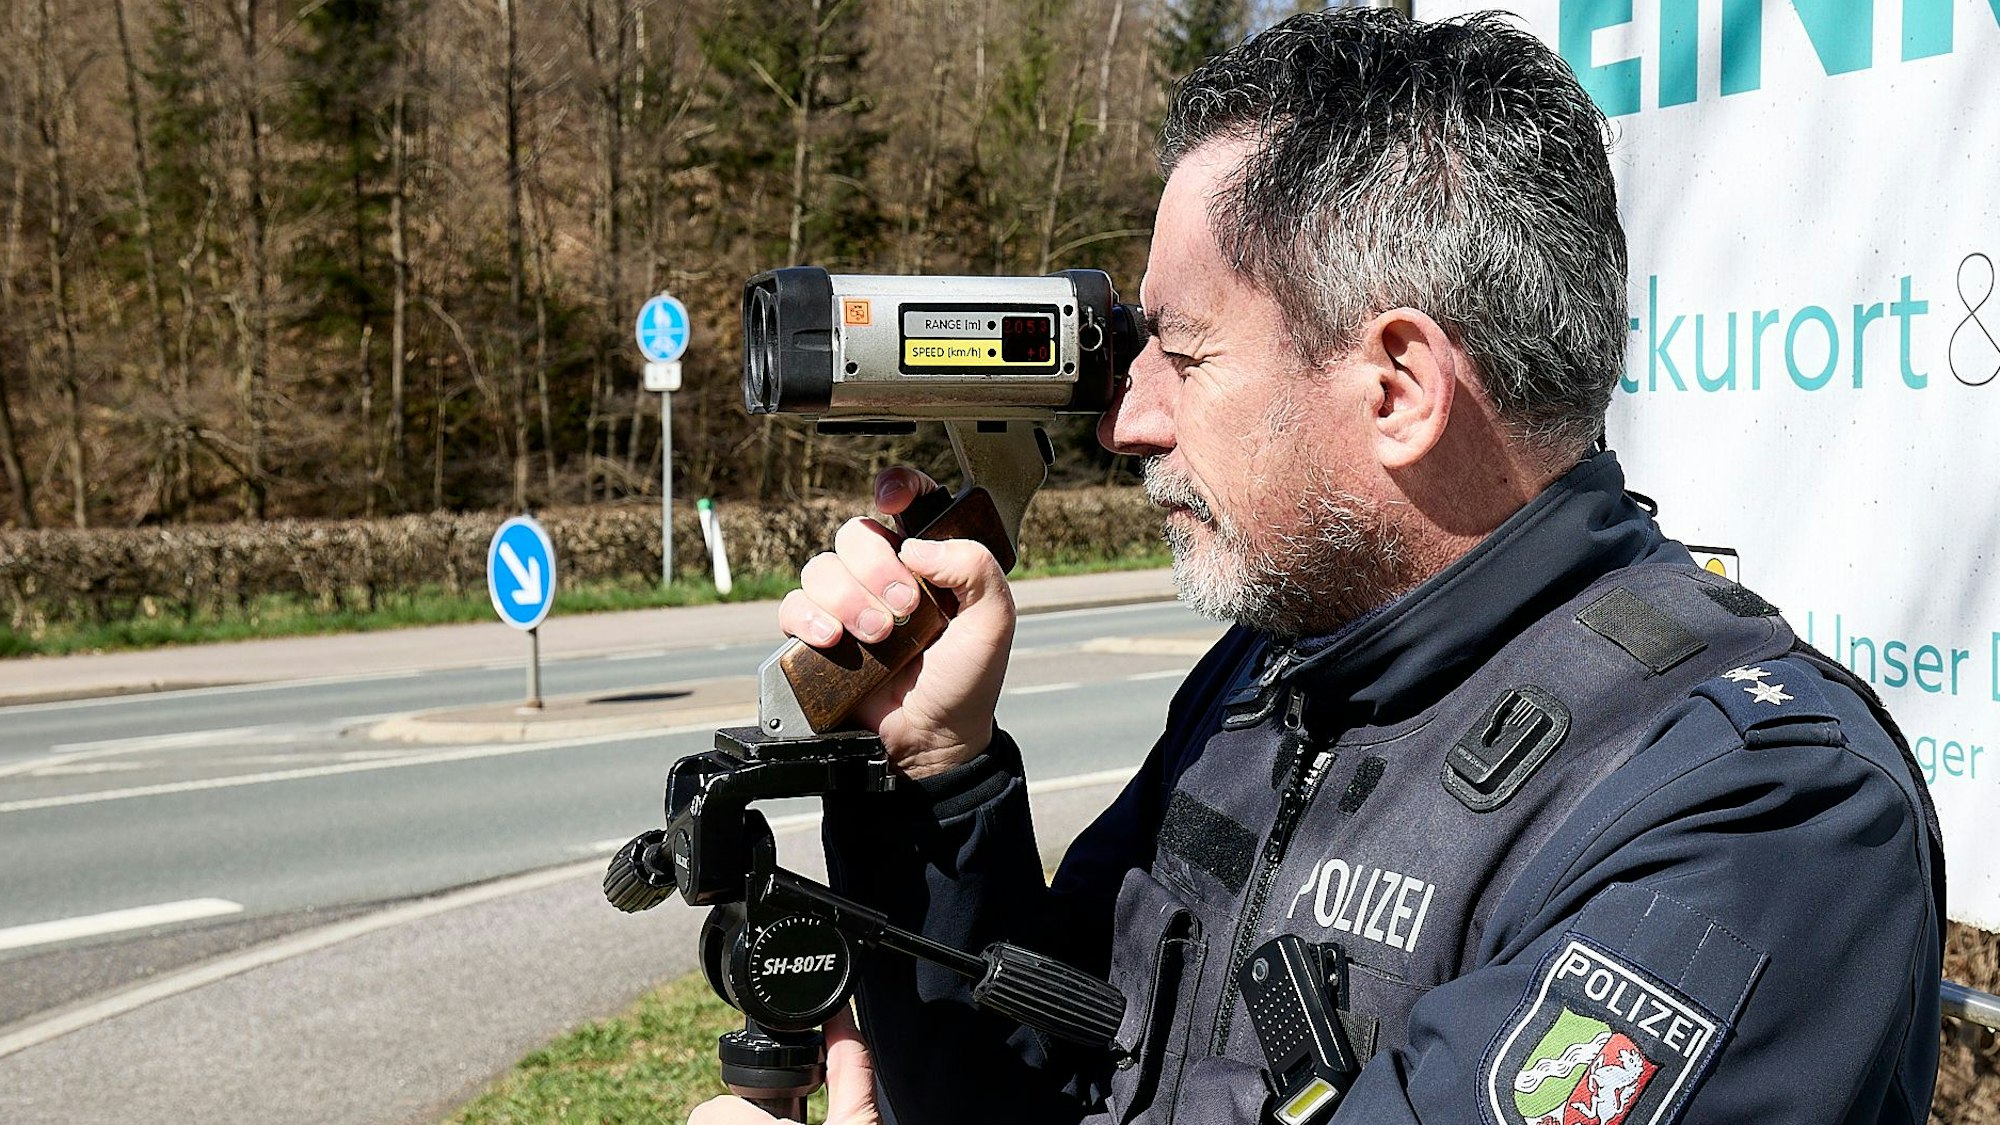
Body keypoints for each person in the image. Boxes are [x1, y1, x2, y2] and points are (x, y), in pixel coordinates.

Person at [692, 9, 1945, 1125]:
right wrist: (934, 783)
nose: (1127, 419)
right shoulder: (1272, 674)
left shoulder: (1757, 820)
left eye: (1179, 355)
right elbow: (1055, 1075)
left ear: (1397, 388)